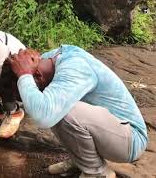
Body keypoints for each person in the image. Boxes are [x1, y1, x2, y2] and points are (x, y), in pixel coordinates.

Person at [8, 46, 148, 177]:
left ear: (37, 75)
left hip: (131, 140)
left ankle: (97, 173)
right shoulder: (47, 61)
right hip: (110, 129)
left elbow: (43, 116)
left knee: (58, 111)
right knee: (55, 106)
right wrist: (25, 76)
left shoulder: (75, 67)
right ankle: (82, 161)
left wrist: (24, 75)